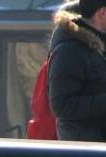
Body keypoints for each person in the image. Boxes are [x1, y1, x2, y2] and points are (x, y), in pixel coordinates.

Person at [48, 0, 106, 141]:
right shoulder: (69, 49)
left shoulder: (98, 46)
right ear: (102, 12)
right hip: (84, 149)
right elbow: (63, 106)